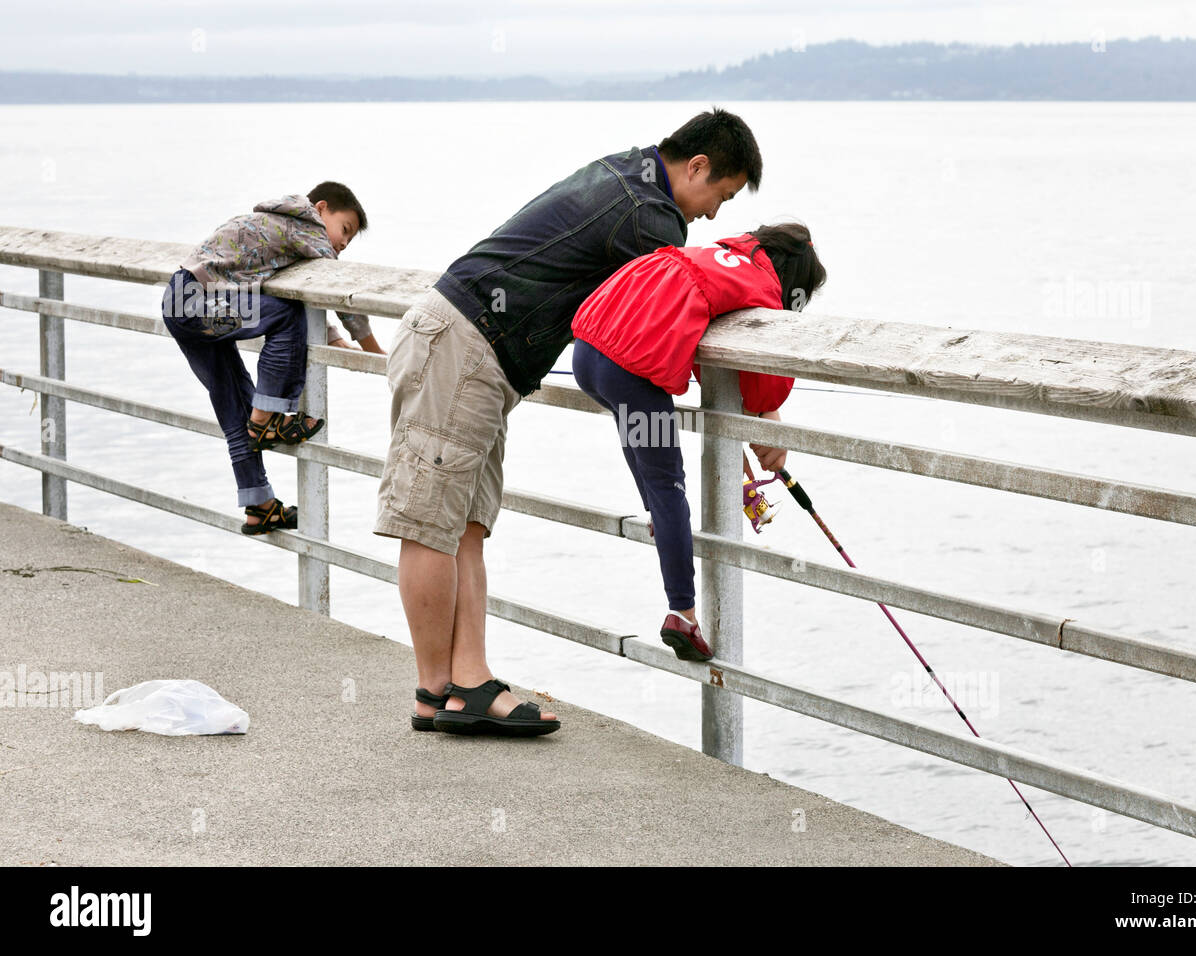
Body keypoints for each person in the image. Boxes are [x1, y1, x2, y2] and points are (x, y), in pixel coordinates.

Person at [375, 108, 763, 736]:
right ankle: (435, 688)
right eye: (719, 194)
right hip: (463, 345)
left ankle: (466, 683)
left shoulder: (622, 171)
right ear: (696, 166)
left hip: (474, 350)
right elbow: (657, 311)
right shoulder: (651, 215)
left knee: (465, 524)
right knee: (428, 523)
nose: (714, 215)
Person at [571, 223, 826, 660]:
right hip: (629, 371)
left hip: (588, 354)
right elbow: (766, 380)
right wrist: (770, 422)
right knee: (670, 485)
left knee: (649, 465)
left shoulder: (714, 256)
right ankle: (684, 617)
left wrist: (748, 420)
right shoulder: (763, 289)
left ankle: (660, 520)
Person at [161, 182, 381, 534]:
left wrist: (334, 339)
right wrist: (375, 353)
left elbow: (307, 298)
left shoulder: (278, 222)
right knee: (286, 314)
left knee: (233, 400)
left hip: (180, 300)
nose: (342, 243)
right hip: (198, 303)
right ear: (321, 208)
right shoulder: (308, 227)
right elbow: (336, 293)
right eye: (345, 230)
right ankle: (266, 418)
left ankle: (259, 505)